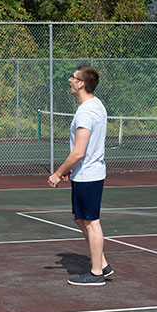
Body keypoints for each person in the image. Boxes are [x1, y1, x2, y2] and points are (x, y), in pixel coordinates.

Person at [48, 66, 112, 286]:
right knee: (79, 218)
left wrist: (59, 172)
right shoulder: (95, 105)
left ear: (81, 83)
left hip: (89, 175)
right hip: (84, 173)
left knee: (92, 222)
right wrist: (71, 170)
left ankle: (96, 274)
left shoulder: (86, 112)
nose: (69, 80)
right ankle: (102, 263)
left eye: (73, 77)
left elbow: (78, 152)